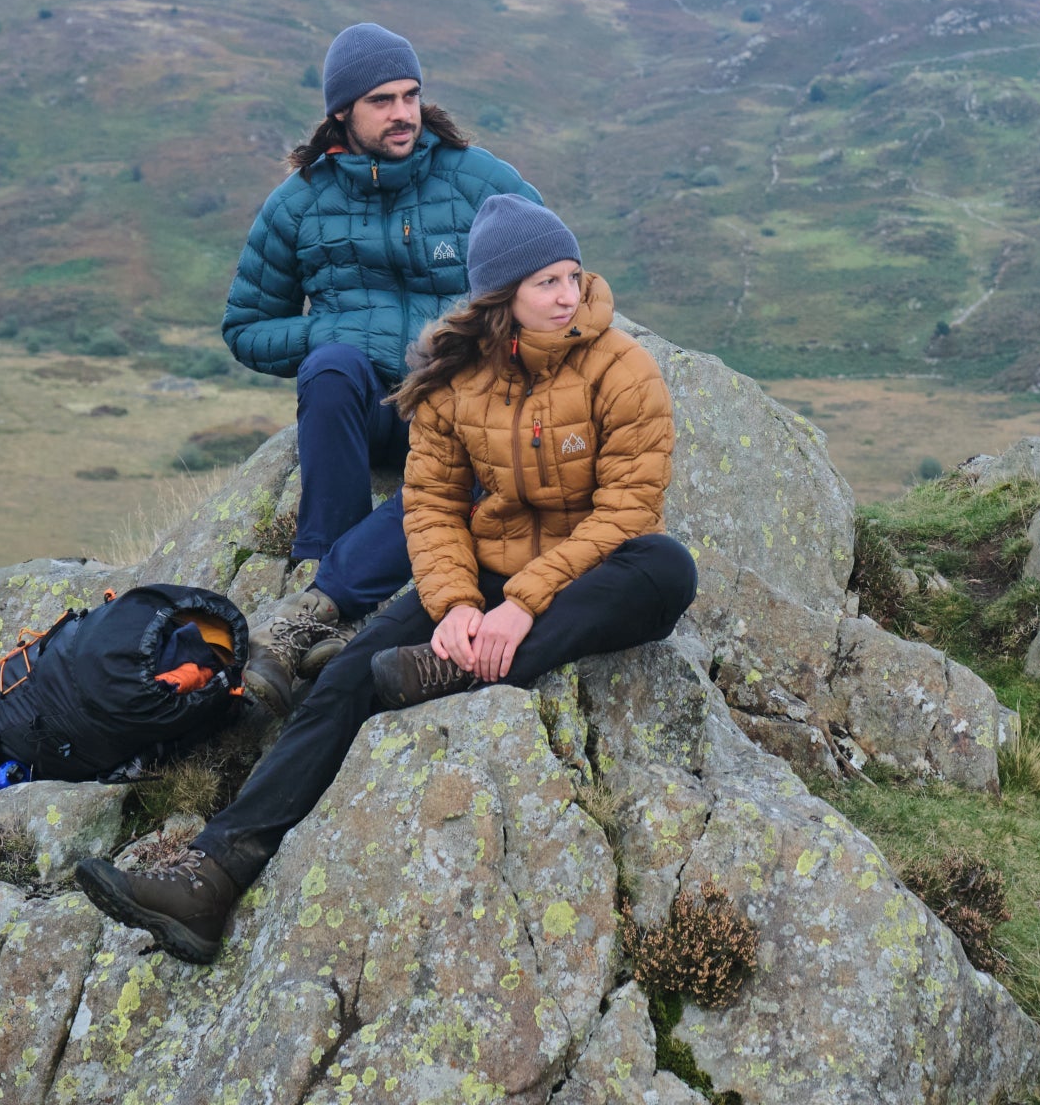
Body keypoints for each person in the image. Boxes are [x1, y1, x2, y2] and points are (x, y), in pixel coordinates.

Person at [77, 196, 697, 964]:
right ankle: (211, 874)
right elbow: (432, 505)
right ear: (501, 295)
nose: (569, 295)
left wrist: (521, 610)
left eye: (572, 275)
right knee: (343, 679)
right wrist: (458, 604)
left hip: (590, 573)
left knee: (668, 569)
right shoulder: (451, 380)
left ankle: (457, 672)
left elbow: (631, 505)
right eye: (546, 282)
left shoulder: (622, 366)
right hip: (489, 572)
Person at [220, 21, 542, 710]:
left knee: (492, 462)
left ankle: (321, 612)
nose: (403, 113)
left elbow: (549, 282)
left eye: (411, 95)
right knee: (330, 367)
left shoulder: (480, 182)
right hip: (371, 411)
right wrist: (338, 331)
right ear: (342, 112)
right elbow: (246, 328)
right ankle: (325, 592)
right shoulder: (300, 202)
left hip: (460, 411)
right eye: (381, 101)